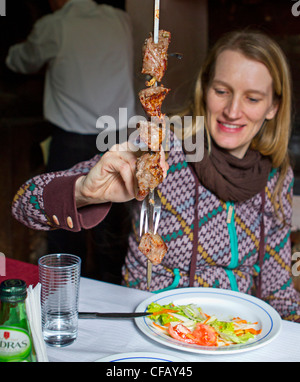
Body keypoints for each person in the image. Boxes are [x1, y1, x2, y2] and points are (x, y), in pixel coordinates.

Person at [11, 29, 300, 322]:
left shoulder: (276, 176)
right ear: (204, 88)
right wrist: (84, 190)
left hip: (236, 334)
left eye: (252, 98)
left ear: (273, 106)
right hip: (154, 326)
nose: (233, 110)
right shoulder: (162, 148)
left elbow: (279, 291)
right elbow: (24, 205)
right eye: (222, 91)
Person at [6, 0, 136, 280]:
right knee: (113, 227)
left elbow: (21, 61)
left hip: (74, 138)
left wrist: (12, 54)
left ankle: (64, 293)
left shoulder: (55, 24)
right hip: (119, 134)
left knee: (63, 218)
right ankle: (112, 288)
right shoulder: (120, 19)